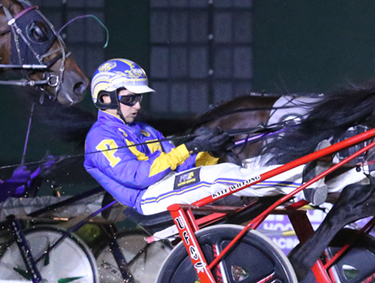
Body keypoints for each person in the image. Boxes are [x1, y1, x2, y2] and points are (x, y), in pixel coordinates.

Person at [83, 58, 357, 216]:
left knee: (249, 165)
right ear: (105, 97)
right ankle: (302, 183)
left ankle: (325, 176)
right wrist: (189, 147)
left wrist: (209, 151)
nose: (138, 105)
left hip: (169, 186)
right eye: (130, 99)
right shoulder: (100, 139)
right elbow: (138, 176)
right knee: (221, 175)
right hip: (147, 198)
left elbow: (187, 167)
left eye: (138, 98)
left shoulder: (144, 131)